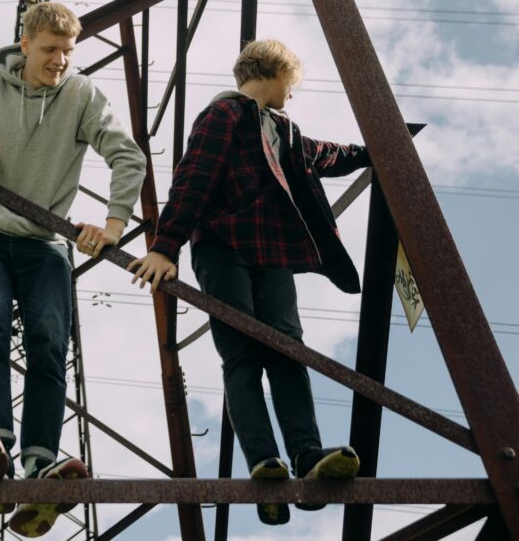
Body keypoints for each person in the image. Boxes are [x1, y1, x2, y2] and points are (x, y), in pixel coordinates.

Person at [0, 2, 146, 537]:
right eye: (50, 50)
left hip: (46, 242)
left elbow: (127, 156)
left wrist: (113, 227)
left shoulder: (81, 95)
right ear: (24, 44)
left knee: (49, 340)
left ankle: (41, 460)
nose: (60, 61)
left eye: (68, 52)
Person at [127, 39, 368, 526]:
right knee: (241, 352)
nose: (292, 95)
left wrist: (376, 149)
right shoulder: (225, 115)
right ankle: (263, 462)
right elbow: (194, 178)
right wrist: (164, 245)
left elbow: (327, 155)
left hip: (272, 251)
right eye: (291, 85)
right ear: (274, 73)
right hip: (222, 244)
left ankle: (306, 456)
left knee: (287, 348)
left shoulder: (285, 130)